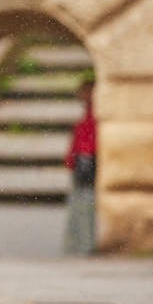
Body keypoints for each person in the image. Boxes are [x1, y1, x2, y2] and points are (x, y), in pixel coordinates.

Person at [63, 77, 97, 255]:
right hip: (83, 162)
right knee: (82, 204)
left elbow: (87, 141)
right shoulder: (88, 116)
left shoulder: (93, 117)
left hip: (87, 163)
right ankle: (82, 245)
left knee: (85, 204)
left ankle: (86, 245)